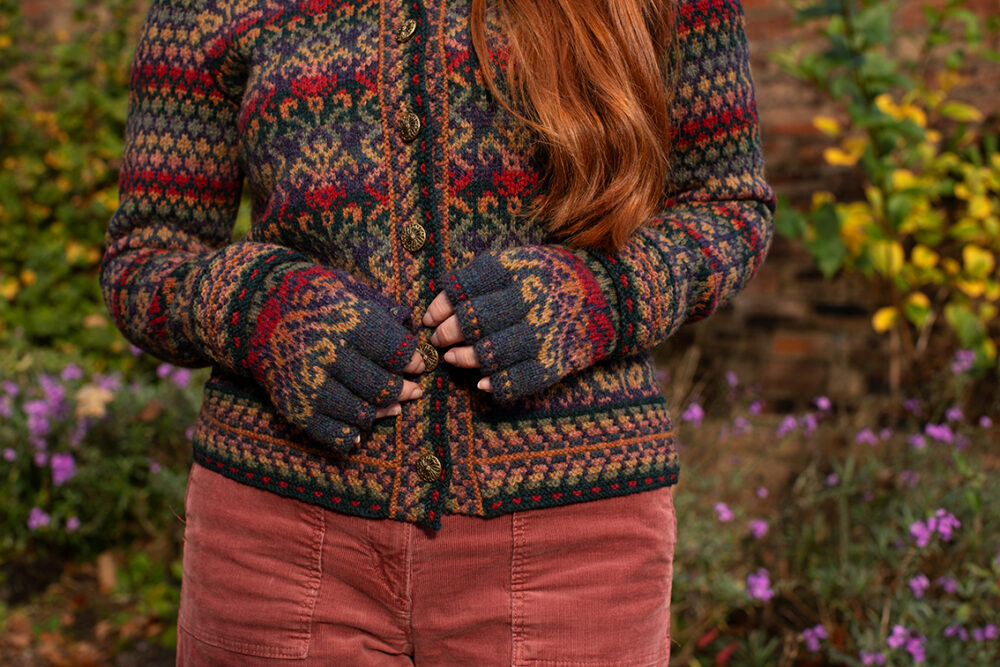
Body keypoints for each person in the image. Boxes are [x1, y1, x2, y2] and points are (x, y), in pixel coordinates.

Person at [100, 0, 775, 663]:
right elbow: (148, 257)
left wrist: (601, 295)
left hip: (573, 540)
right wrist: (260, 307)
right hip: (280, 537)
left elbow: (727, 206)